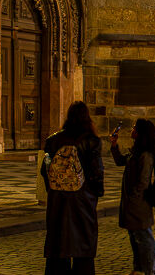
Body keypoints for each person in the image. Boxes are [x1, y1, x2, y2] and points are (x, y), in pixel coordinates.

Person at [41, 101, 105, 275]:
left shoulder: (53, 140)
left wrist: (55, 190)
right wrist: (95, 195)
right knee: (83, 252)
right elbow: (97, 174)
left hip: (58, 202)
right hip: (83, 202)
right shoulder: (92, 141)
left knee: (57, 251)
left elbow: (44, 170)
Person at [110, 118, 155, 275]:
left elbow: (143, 182)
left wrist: (133, 199)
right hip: (131, 204)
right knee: (135, 238)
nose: (132, 130)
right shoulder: (137, 152)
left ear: (140, 133)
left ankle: (151, 271)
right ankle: (138, 269)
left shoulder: (146, 155)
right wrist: (114, 145)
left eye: (134, 128)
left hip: (138, 205)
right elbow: (120, 161)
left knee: (144, 237)